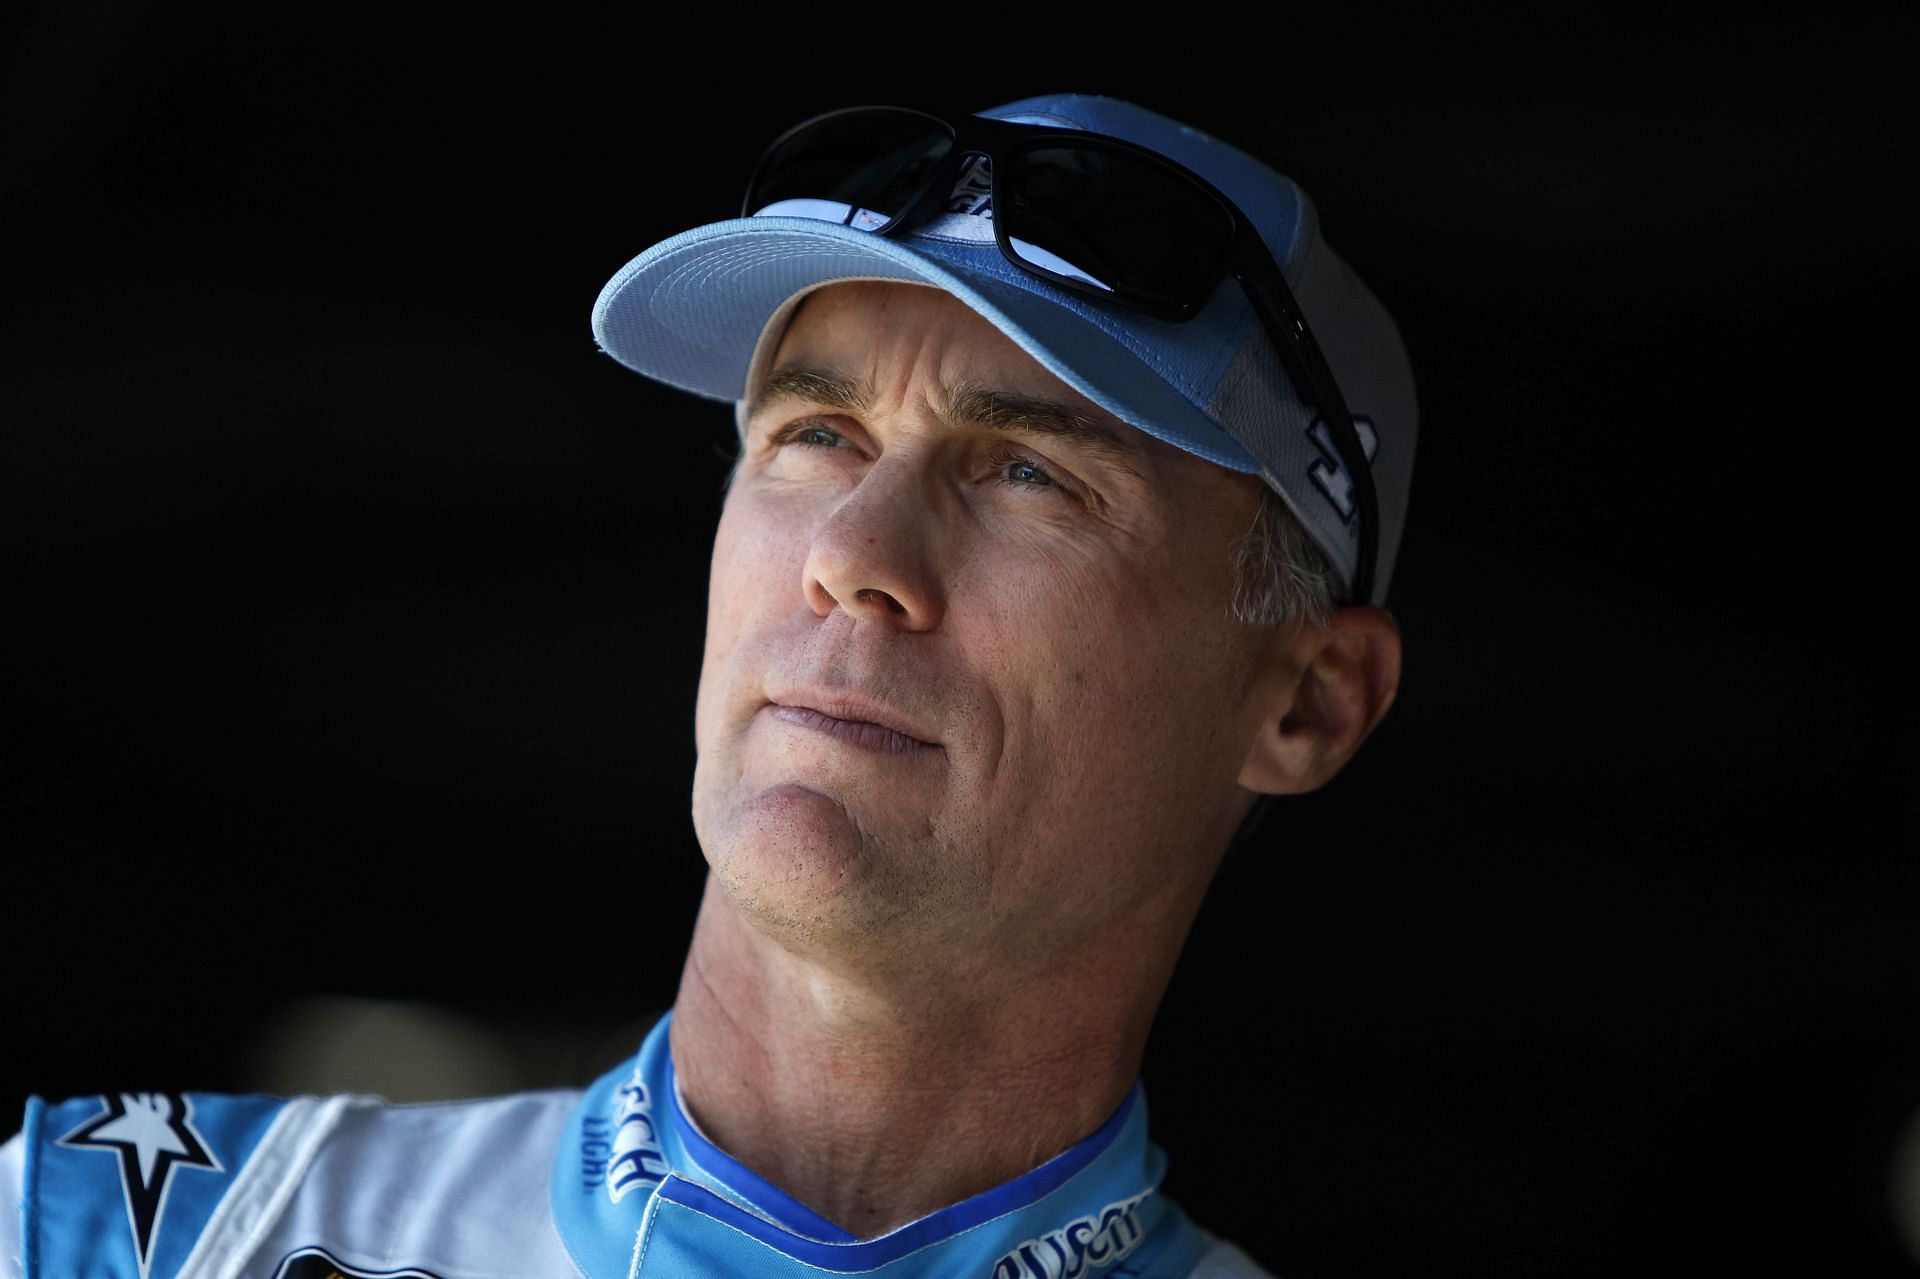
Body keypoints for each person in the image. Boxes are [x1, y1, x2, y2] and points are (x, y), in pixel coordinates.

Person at [0, 92, 1415, 1279]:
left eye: (1033, 473)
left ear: (1308, 705)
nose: (854, 557)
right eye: (815, 434)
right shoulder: (113, 1233)